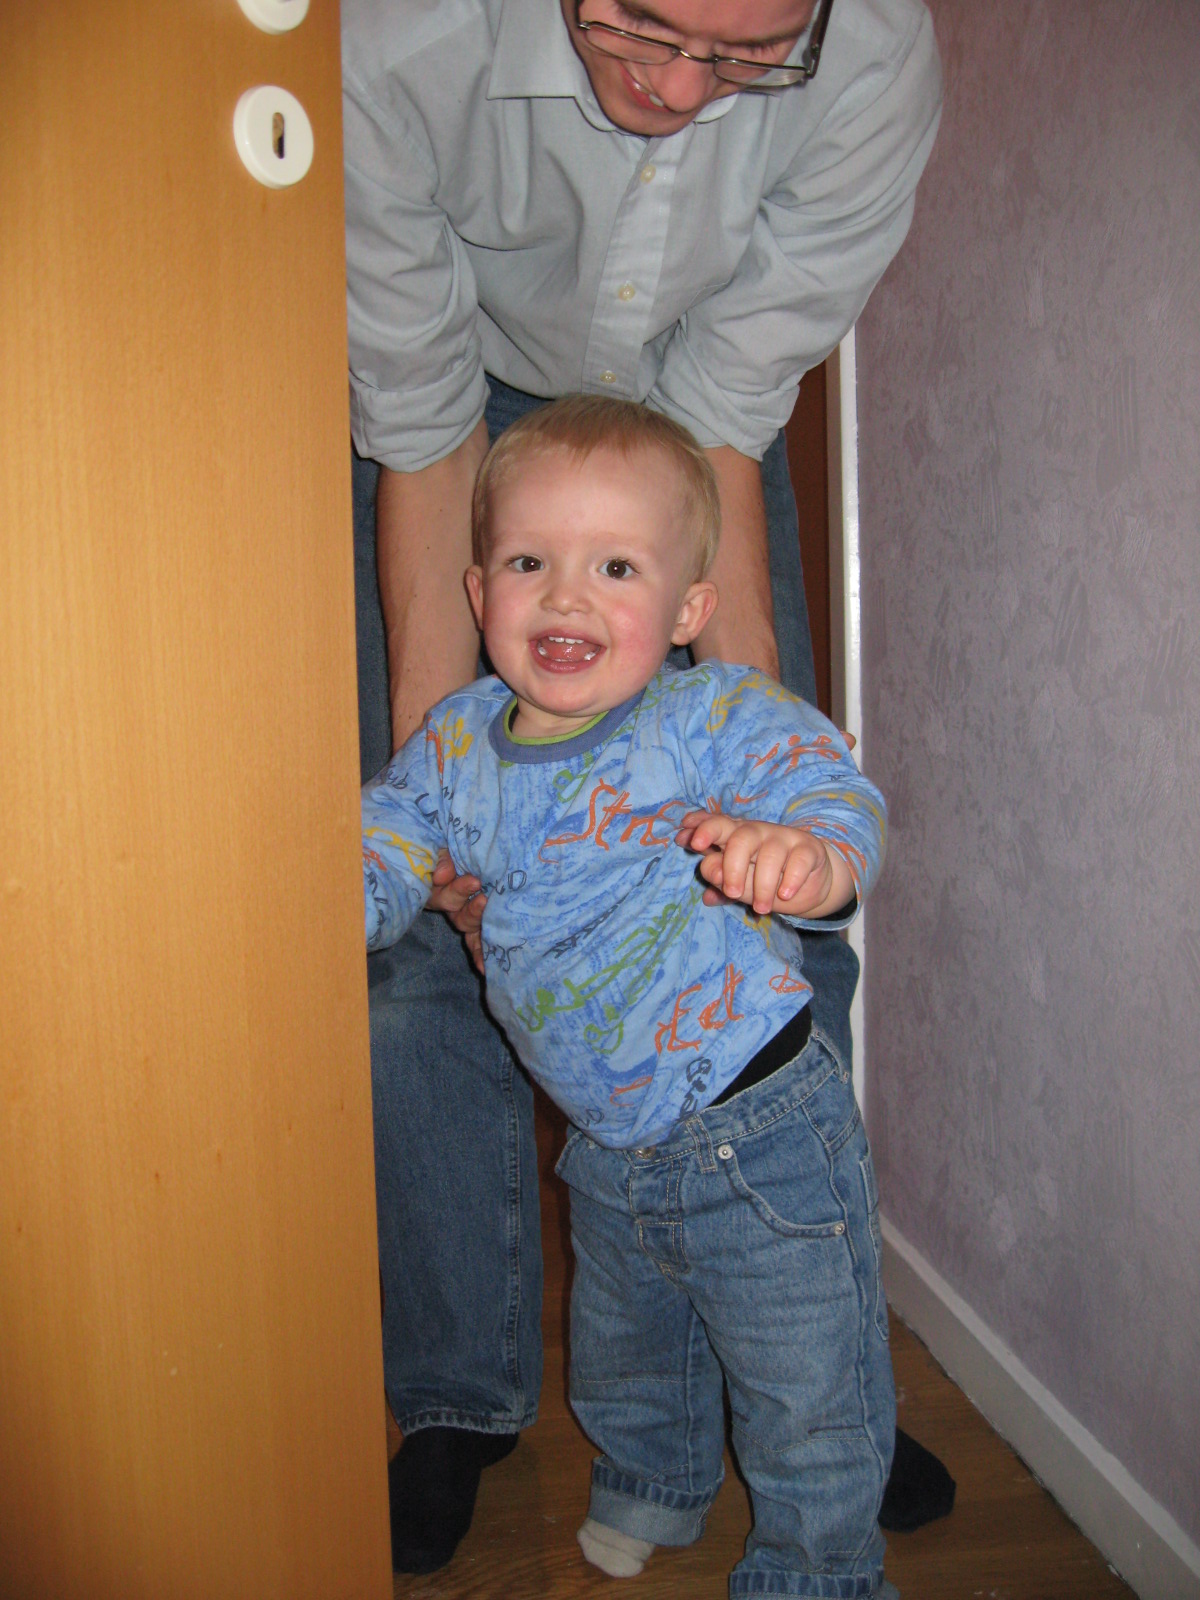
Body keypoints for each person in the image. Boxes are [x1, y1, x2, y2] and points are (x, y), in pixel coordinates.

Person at [343, 0, 951, 1573]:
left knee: (790, 929)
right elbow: (420, 424)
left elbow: (729, 425)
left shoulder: (874, 65)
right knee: (414, 983)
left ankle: (822, 1357)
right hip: (457, 414)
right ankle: (459, 1395)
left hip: (690, 431)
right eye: (641, 21)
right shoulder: (394, 46)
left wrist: (777, 798)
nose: (679, 89)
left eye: (747, 55)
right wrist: (425, 822)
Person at [363, 396, 895, 1594]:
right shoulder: (454, 743)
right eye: (528, 562)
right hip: (605, 1140)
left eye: (615, 567)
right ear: (476, 590)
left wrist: (808, 854)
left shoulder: (707, 714)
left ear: (689, 610)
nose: (566, 596)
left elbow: (825, 780)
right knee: (627, 1348)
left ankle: (819, 1570)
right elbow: (387, 832)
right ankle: (654, 1480)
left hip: (760, 1128)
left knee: (807, 1389)